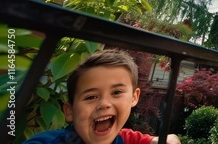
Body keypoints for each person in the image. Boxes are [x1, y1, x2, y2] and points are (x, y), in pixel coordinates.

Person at [23, 49, 181, 144]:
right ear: (69, 111)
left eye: (116, 92)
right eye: (91, 97)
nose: (104, 104)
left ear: (134, 97)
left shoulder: (122, 139)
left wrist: (168, 139)